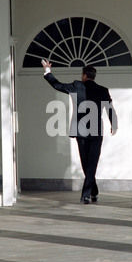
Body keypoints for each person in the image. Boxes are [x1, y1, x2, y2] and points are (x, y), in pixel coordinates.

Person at [42, 60, 118, 204]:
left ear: (84, 76)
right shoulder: (103, 90)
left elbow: (57, 85)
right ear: (93, 76)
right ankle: (93, 191)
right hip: (96, 132)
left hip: (80, 131)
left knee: (86, 163)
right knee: (92, 162)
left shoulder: (77, 86)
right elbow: (109, 109)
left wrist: (48, 71)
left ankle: (86, 195)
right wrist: (114, 125)